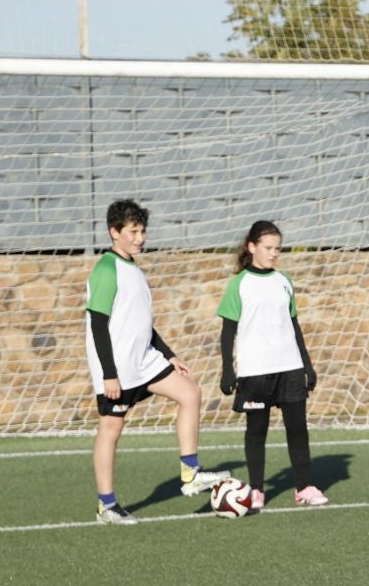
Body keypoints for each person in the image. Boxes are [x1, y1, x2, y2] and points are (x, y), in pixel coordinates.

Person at [84, 199, 228, 524]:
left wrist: (168, 354)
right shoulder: (107, 269)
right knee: (111, 429)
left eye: (142, 231)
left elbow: (141, 323)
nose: (140, 238)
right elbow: (97, 324)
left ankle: (190, 474)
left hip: (145, 361)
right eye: (133, 232)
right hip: (118, 368)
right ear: (114, 232)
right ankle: (107, 505)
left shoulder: (133, 268)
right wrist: (109, 374)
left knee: (190, 393)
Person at [217, 220, 326, 513]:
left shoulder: (284, 281)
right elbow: (227, 332)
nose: (274, 253)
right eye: (268, 248)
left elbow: (294, 325)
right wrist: (227, 369)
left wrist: (307, 365)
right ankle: (256, 491)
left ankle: (304, 487)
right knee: (257, 431)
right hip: (255, 371)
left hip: (289, 367)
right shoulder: (239, 284)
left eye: (277, 248)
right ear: (251, 247)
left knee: (298, 429)